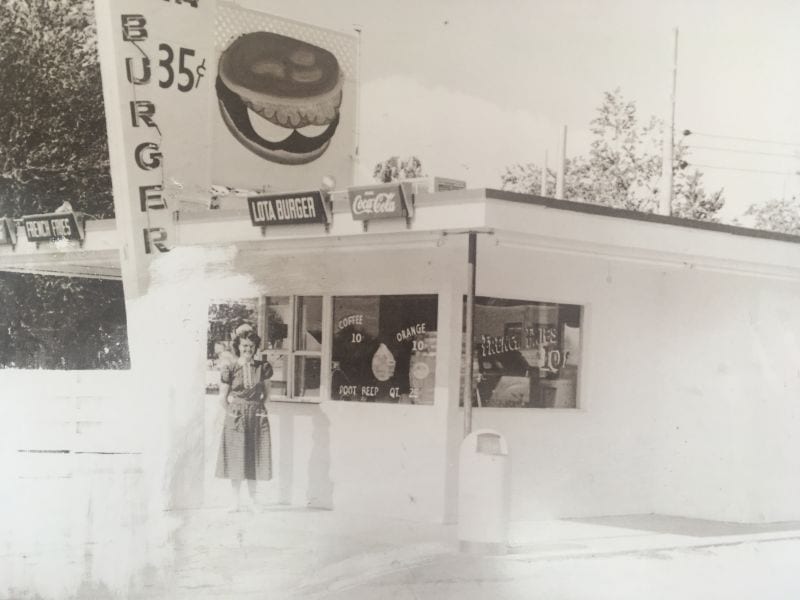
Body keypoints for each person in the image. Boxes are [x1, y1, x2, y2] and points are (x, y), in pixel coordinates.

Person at [215, 328, 273, 511]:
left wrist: (258, 409)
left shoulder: (262, 368)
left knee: (255, 455)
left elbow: (268, 394)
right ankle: (235, 501)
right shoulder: (230, 368)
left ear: (255, 347)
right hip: (236, 416)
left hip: (256, 415)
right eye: (244, 345)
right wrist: (233, 412)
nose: (248, 349)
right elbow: (222, 398)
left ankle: (253, 501)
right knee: (236, 457)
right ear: (238, 347)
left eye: (251, 346)